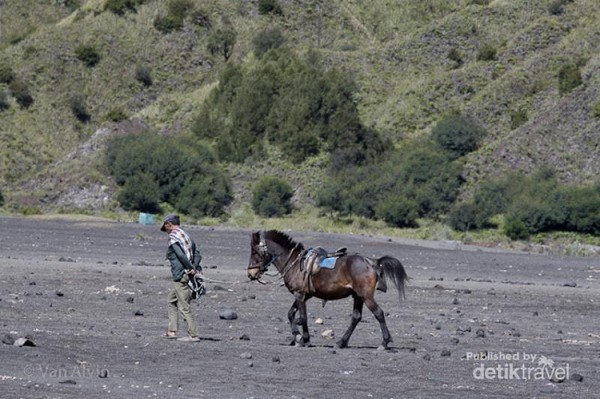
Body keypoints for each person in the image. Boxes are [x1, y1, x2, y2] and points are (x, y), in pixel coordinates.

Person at [161, 214, 202, 342]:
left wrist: (190, 267)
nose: (166, 231)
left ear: (169, 224)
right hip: (187, 274)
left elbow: (180, 254)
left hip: (181, 274)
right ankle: (172, 331)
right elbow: (197, 254)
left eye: (166, 228)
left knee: (184, 305)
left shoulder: (174, 237)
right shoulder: (186, 236)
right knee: (171, 300)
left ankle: (193, 335)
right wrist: (193, 266)